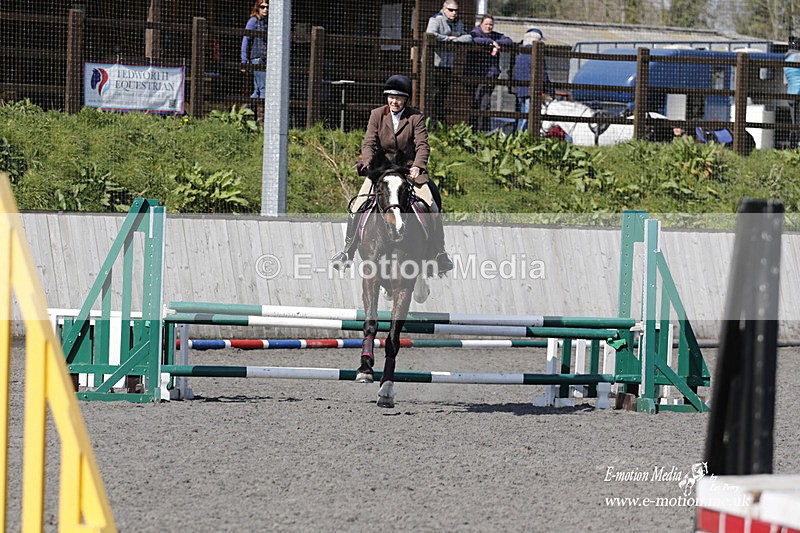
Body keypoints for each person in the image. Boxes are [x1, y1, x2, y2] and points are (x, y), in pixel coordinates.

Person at [330, 75, 454, 274]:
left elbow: (422, 145)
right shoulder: (377, 115)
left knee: (431, 205)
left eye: (399, 98)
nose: (394, 101)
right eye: (391, 97)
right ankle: (347, 251)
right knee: (356, 205)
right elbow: (369, 142)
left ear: (405, 100)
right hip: (382, 171)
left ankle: (440, 252)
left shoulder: (415, 118)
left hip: (407, 171)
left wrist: (418, 166)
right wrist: (370, 164)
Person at [425, 1, 472, 125]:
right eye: (451, 10)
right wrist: (447, 39)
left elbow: (468, 37)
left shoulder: (458, 23)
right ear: (444, 9)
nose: (454, 13)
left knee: (442, 95)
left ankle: (438, 123)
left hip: (448, 66)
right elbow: (431, 35)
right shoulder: (435, 19)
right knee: (431, 94)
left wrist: (456, 39)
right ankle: (429, 122)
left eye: (456, 10)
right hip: (433, 65)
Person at [467, 15, 513, 131]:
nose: (489, 26)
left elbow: (509, 40)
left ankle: (483, 130)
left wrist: (497, 42)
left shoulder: (495, 35)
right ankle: (475, 129)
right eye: (486, 24)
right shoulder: (475, 33)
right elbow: (473, 39)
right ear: (481, 24)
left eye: (491, 24)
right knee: (477, 101)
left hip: (490, 75)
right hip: (476, 75)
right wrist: (491, 42)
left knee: (486, 102)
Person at [513, 28, 551, 132]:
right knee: (530, 115)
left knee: (522, 114)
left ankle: (517, 135)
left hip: (520, 90)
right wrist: (548, 89)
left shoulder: (520, 55)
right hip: (532, 91)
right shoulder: (536, 54)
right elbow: (542, 74)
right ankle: (524, 135)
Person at [241, 0, 268, 99]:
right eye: (262, 7)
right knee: (263, 88)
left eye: (267, 7)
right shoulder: (253, 21)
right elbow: (245, 39)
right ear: (257, 8)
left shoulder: (266, 22)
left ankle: (245, 113)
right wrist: (244, 60)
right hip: (257, 59)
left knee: (257, 91)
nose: (265, 9)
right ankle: (263, 114)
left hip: (264, 58)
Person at [784, 36, 800, 147]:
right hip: (799, 93)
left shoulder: (786, 60)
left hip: (791, 94)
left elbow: (785, 82)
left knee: (795, 123)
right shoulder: (798, 57)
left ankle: (793, 147)